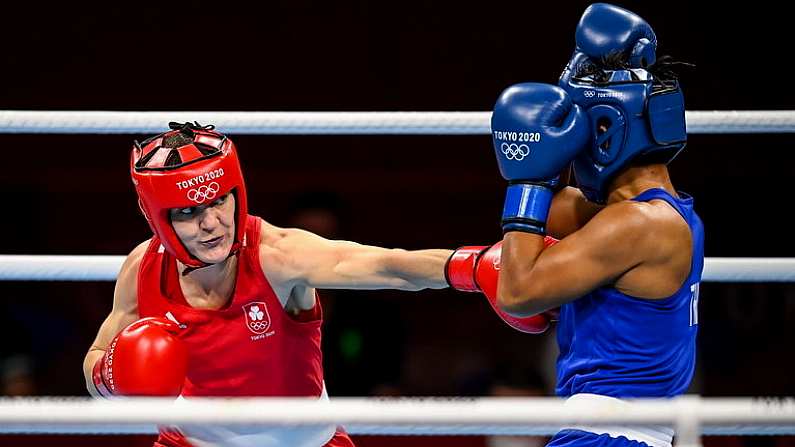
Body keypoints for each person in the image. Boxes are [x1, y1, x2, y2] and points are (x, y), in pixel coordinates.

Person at [81, 121, 550, 447]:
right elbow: (97, 358)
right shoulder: (142, 270)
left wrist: (475, 267)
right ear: (158, 220)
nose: (212, 223)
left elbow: (387, 266)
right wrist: (110, 377)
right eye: (189, 212)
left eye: (220, 201)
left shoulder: (278, 256)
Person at [486, 4, 702, 447]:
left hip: (607, 435)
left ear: (605, 129)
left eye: (581, 129)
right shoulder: (663, 214)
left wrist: (529, 178)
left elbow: (518, 292)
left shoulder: (637, 225)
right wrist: (544, 160)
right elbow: (551, 213)